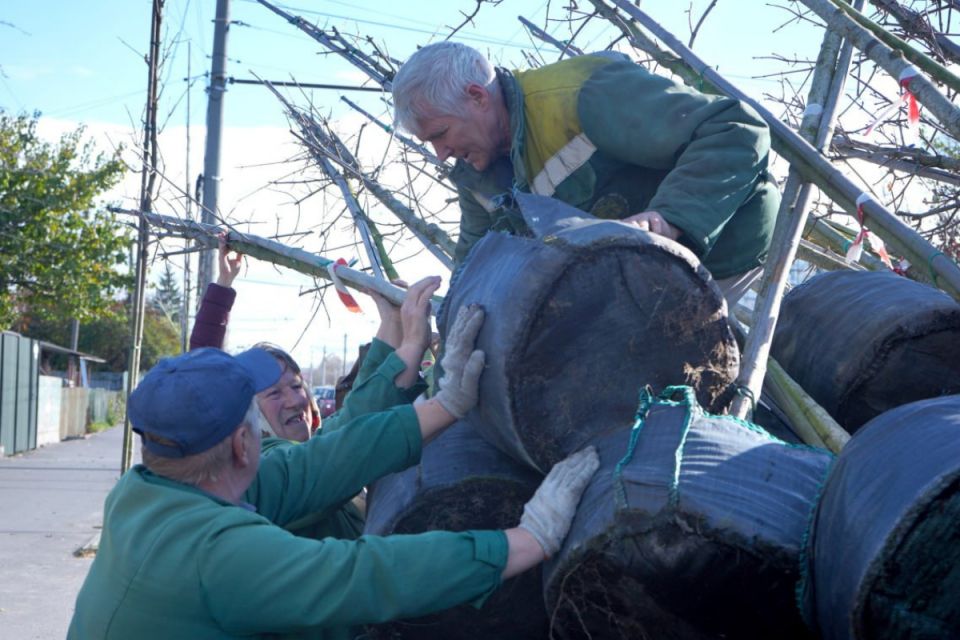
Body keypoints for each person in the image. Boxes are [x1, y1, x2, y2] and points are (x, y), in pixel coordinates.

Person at [67, 315, 600, 640]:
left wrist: (447, 404)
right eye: (260, 407)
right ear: (241, 443)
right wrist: (528, 540)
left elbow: (320, 465)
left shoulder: (141, 492)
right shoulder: (219, 557)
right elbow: (365, 574)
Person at [391, 42, 780, 304]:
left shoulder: (582, 96)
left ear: (477, 97)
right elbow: (477, 266)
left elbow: (735, 129)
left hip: (729, 257)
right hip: (638, 288)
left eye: (440, 134)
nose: (441, 154)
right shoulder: (475, 171)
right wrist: (434, 311)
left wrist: (670, 218)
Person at [190, 237, 437, 540]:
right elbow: (352, 431)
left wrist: (392, 320)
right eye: (274, 394)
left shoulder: (311, 444)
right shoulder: (260, 474)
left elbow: (356, 409)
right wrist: (412, 345)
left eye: (296, 385)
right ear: (247, 418)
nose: (295, 400)